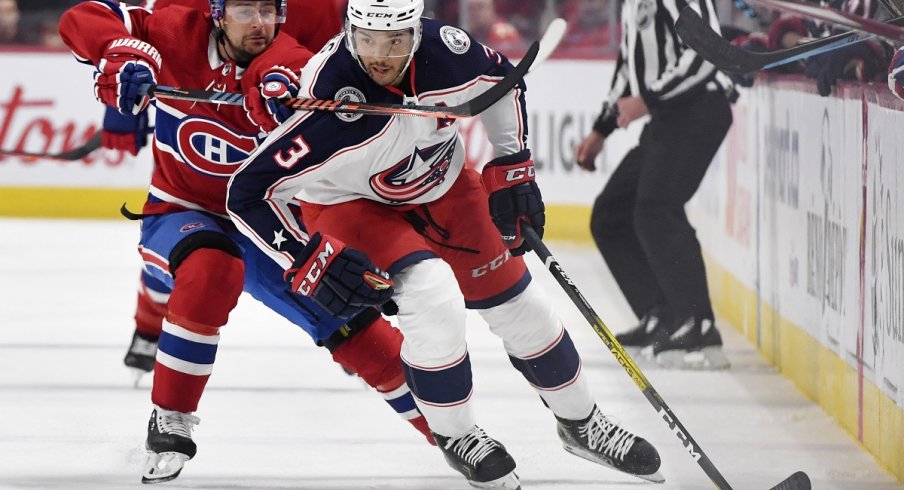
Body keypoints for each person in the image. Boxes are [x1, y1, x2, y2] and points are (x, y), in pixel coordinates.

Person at [226, 0, 663, 488]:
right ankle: (458, 436)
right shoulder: (328, 99)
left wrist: (513, 168)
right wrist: (306, 256)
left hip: (443, 185)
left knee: (525, 309)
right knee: (433, 299)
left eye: (393, 40)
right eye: (367, 38)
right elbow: (246, 192)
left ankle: (583, 424)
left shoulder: (448, 51)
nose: (379, 55)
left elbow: (501, 85)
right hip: (350, 205)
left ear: (415, 31)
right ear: (351, 31)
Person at [59, 0, 433, 483]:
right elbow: (82, 17)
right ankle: (170, 416)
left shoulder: (304, 31)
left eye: (267, 10)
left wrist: (298, 93)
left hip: (267, 219)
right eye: (243, 9)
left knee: (350, 319)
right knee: (209, 267)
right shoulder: (176, 27)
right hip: (183, 209)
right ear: (216, 12)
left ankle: (450, 431)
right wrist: (119, 51)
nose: (258, 22)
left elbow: (321, 60)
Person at [108, 0, 341, 380]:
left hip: (273, 132)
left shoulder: (315, 6)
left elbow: (329, 66)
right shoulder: (190, 12)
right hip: (201, 131)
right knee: (181, 222)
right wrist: (120, 102)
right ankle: (150, 322)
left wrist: (300, 99)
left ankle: (344, 324)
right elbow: (140, 32)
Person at [574, 0, 734, 370]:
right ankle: (662, 314)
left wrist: (649, 99)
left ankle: (699, 323)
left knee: (656, 208)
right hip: (667, 118)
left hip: (700, 108)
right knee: (610, 215)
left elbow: (707, 51)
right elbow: (628, 66)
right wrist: (601, 129)